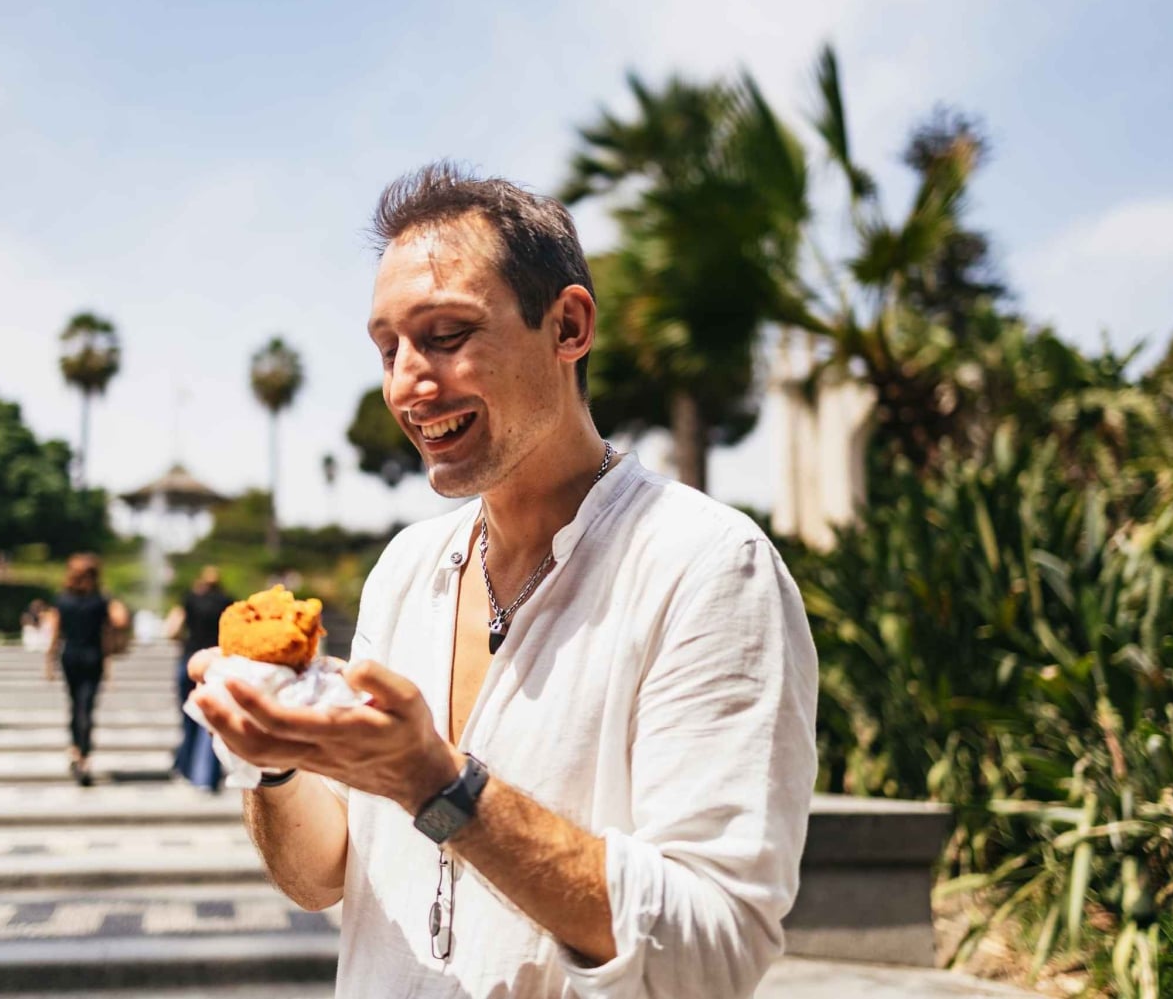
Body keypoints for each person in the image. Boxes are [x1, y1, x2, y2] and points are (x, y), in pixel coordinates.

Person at [189, 163, 819, 997]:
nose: (407, 382)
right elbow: (322, 877)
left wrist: (439, 785)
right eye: (388, 347)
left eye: (446, 335)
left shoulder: (706, 566)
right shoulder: (404, 572)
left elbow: (711, 949)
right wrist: (269, 761)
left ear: (567, 326)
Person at [44, 553, 130, 787]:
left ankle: (75, 749)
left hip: (70, 656)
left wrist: (49, 661)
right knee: (87, 706)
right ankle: (84, 755)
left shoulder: (63, 599)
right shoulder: (100, 601)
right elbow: (120, 621)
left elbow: (55, 632)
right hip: (93, 658)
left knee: (74, 705)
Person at [163, 565, 233, 791]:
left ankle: (184, 766)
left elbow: (172, 629)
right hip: (216, 663)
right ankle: (204, 776)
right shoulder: (227, 602)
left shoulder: (190, 599)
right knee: (212, 721)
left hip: (189, 660)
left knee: (189, 717)